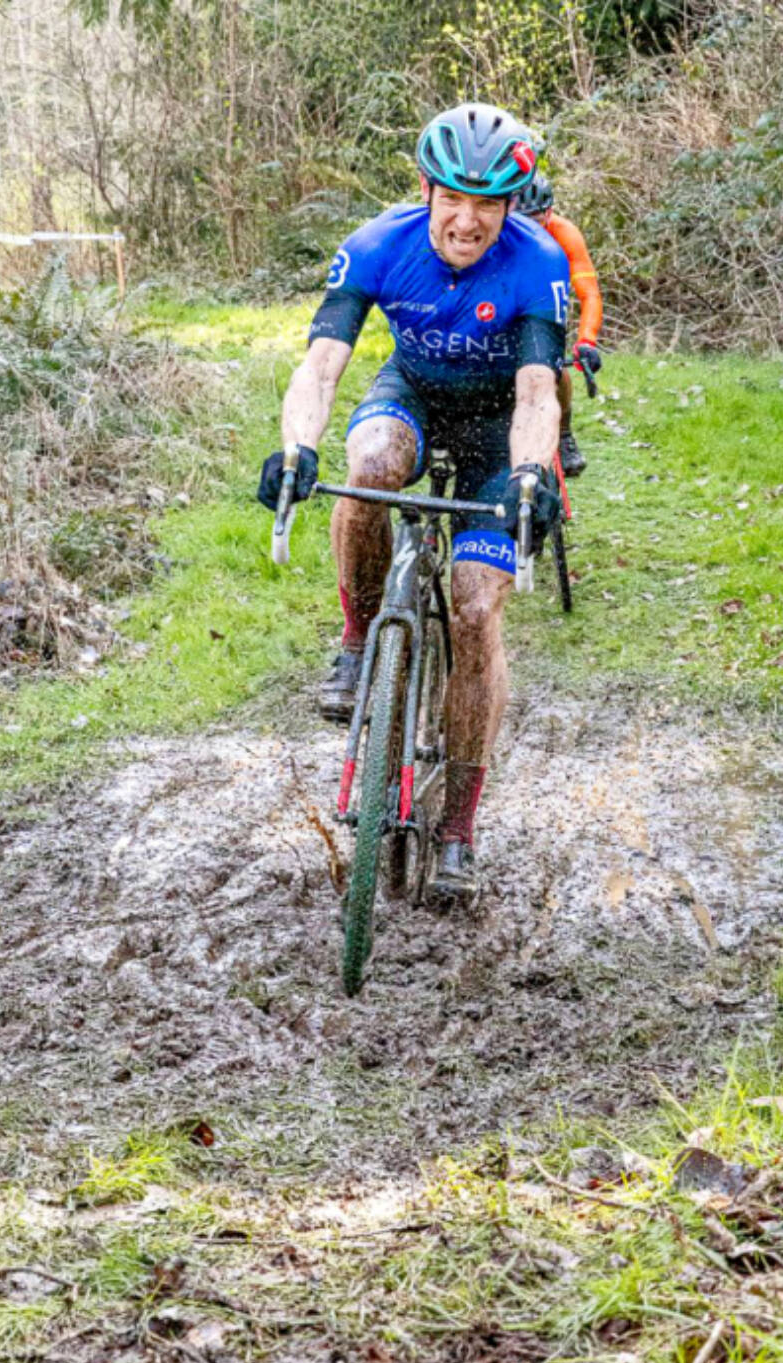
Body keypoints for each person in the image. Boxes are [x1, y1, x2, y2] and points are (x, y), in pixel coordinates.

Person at [257, 103, 570, 901]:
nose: (468, 221)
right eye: (454, 199)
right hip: (416, 398)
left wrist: (531, 472)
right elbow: (322, 365)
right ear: (426, 190)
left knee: (474, 610)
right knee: (368, 464)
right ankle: (360, 636)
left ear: (510, 206)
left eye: (489, 204)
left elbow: (538, 392)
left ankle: (459, 824)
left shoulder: (538, 265)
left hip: (497, 428)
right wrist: (297, 446)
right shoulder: (376, 246)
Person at [515, 172, 603, 477]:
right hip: (507, 299)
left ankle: (564, 436)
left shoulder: (565, 233)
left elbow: (589, 294)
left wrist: (586, 341)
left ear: (549, 213)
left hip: (545, 303)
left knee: (556, 367)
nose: (527, 230)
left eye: (535, 221)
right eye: (518, 221)